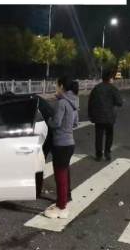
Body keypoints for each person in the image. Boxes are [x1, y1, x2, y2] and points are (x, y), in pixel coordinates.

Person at [38, 77, 79, 219]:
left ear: (61, 86)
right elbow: (75, 123)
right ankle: (65, 200)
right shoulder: (73, 102)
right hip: (70, 143)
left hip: (60, 144)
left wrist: (48, 119)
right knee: (64, 174)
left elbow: (56, 123)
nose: (56, 88)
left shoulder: (61, 103)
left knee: (60, 177)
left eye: (56, 85)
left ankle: (61, 207)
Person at [88, 70, 123, 161]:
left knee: (98, 136)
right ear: (110, 78)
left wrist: (91, 115)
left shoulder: (96, 88)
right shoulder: (113, 89)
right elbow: (119, 102)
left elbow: (90, 102)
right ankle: (107, 152)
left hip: (98, 117)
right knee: (109, 135)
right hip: (109, 117)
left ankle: (98, 155)